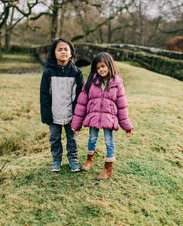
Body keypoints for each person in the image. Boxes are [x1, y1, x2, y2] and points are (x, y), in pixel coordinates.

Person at [71, 52, 133, 180]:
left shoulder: (117, 84)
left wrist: (126, 125)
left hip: (108, 118)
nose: (101, 70)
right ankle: (89, 160)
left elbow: (122, 106)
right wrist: (77, 123)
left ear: (110, 65)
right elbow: (81, 103)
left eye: (103, 66)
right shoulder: (91, 83)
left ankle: (108, 168)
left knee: (108, 141)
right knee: (92, 138)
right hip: (93, 117)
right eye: (98, 68)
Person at [40, 38, 84, 172]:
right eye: (59, 49)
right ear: (54, 53)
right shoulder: (48, 73)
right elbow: (44, 95)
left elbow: (80, 95)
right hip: (54, 113)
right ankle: (56, 159)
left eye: (66, 49)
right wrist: (46, 114)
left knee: (72, 138)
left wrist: (79, 114)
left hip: (72, 114)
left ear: (71, 53)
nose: (63, 52)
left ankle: (73, 159)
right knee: (54, 138)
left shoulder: (77, 72)